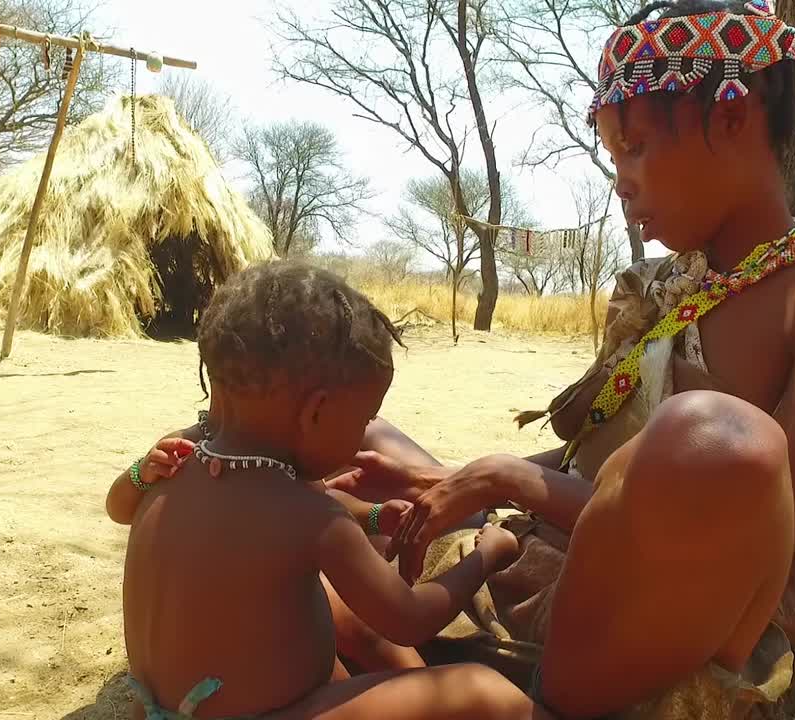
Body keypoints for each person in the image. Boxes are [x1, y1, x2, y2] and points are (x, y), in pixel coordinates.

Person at [329, 1, 795, 717]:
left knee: (708, 436)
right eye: (614, 157)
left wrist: (506, 480)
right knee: (348, 437)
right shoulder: (654, 289)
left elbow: (751, 538)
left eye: (637, 148)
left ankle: (512, 692)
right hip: (543, 553)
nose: (622, 179)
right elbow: (590, 462)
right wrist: (455, 481)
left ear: (734, 119)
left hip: (650, 621)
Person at [105, 260, 553, 720]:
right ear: (316, 412)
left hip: (156, 709)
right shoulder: (311, 519)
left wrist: (376, 517)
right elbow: (408, 617)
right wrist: (487, 555)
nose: (365, 431)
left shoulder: (178, 463)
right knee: (480, 690)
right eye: (364, 418)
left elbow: (133, 507)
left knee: (322, 616)